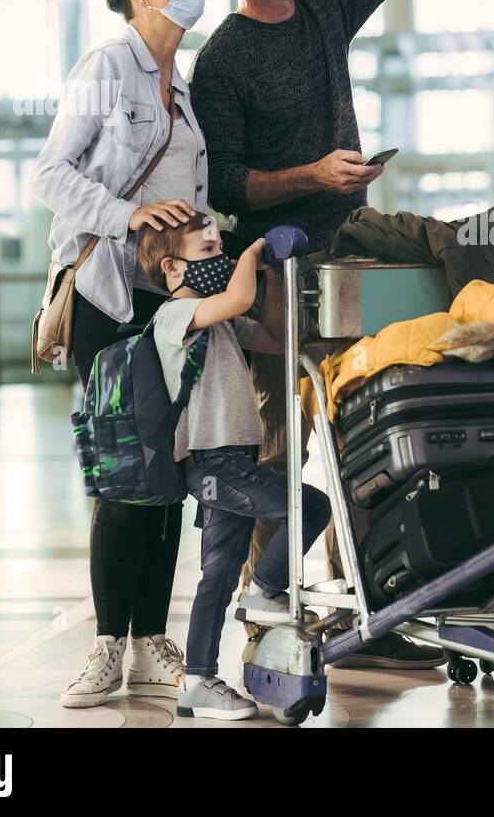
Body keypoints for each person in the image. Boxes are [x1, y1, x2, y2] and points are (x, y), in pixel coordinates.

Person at [189, 0, 466, 670]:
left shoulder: (321, 10)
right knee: (281, 440)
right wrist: (314, 174)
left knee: (361, 413)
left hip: (349, 250)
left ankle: (367, 600)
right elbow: (227, 184)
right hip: (272, 265)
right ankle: (262, 605)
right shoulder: (222, 62)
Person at [32, 0, 210, 707]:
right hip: (109, 297)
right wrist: (127, 213)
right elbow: (50, 173)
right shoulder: (109, 68)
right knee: (121, 468)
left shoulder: (186, 88)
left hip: (167, 298)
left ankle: (150, 640)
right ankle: (108, 645)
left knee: (165, 468)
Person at [134, 213, 331, 720]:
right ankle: (266, 589)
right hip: (213, 463)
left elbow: (274, 337)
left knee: (217, 577)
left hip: (237, 459)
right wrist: (252, 253)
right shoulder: (172, 316)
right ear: (172, 269)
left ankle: (196, 680)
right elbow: (239, 298)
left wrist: (272, 273)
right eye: (209, 254)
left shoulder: (217, 319)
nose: (220, 262)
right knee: (309, 505)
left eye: (223, 252)